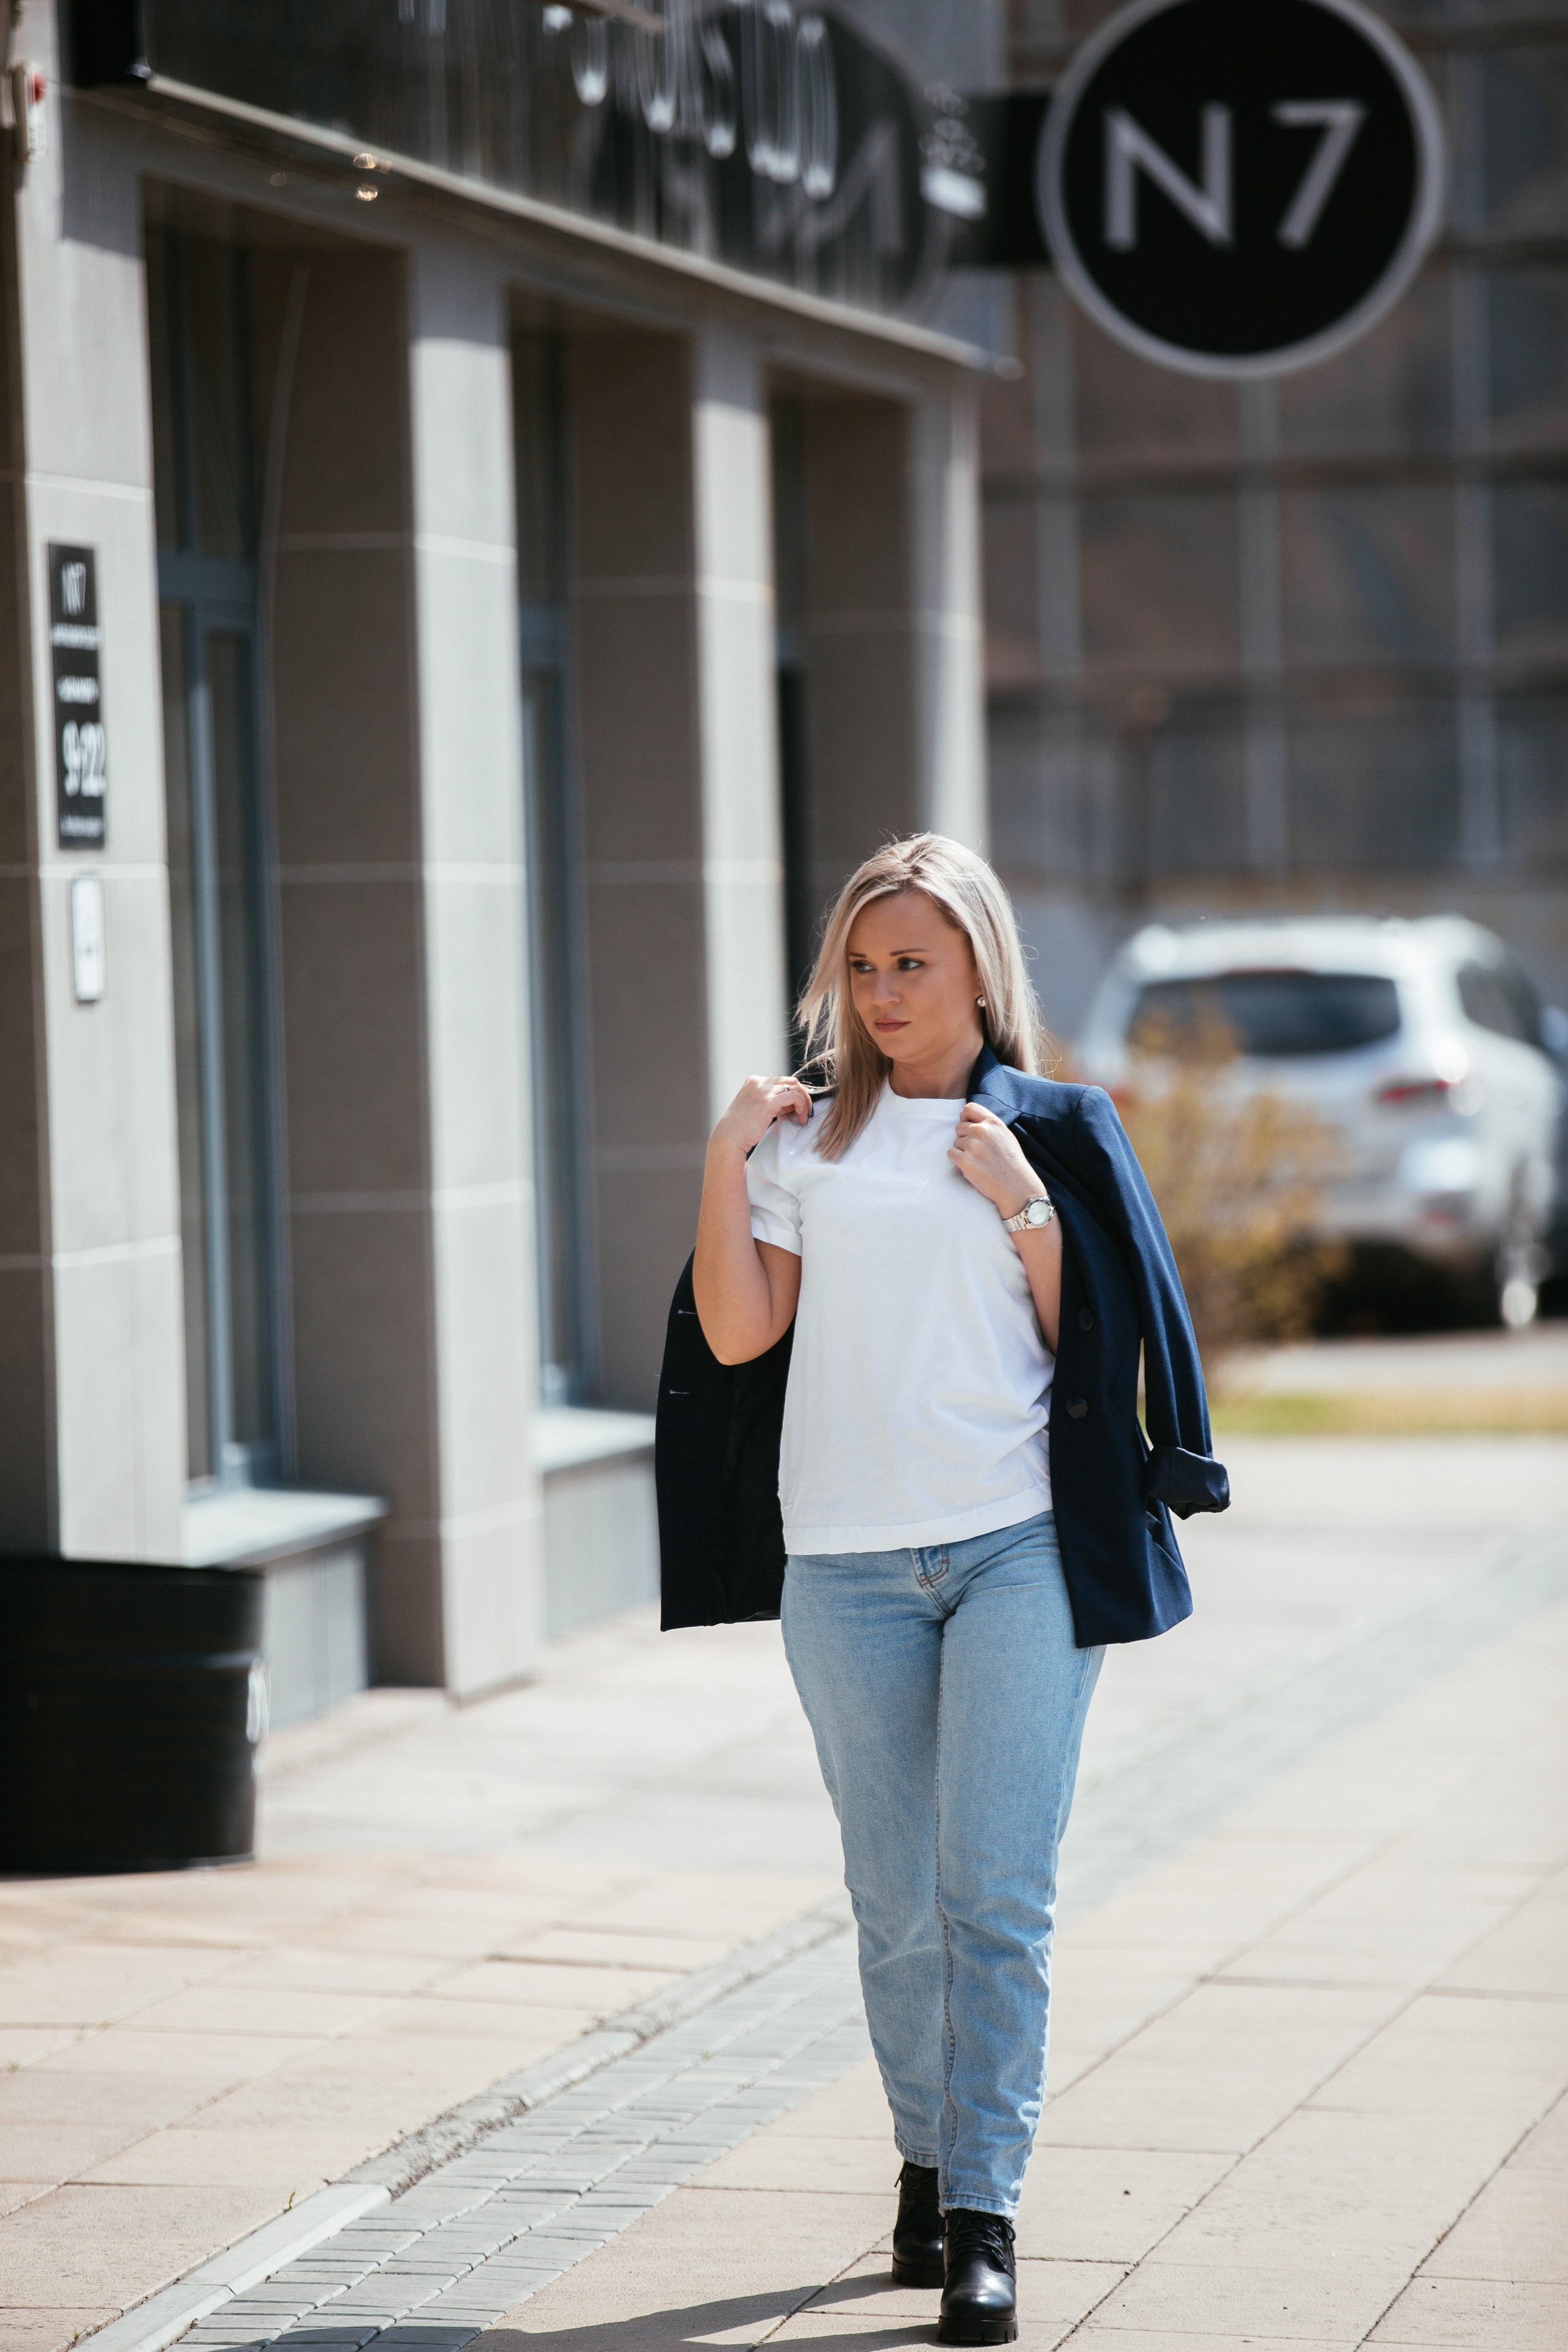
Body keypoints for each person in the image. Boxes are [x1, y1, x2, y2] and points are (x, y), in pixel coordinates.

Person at [657, 834, 1227, 2347]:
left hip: (1016, 1546)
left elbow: (1099, 1346)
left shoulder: (1053, 1126)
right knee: (893, 1902)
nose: (882, 993)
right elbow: (733, 1337)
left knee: (994, 1894)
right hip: (840, 1565)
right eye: (860, 965)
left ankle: (983, 2211)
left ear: (980, 967)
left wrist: (1023, 1203)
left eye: (912, 963)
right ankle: (923, 2149)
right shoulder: (799, 1144)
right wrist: (723, 1156)